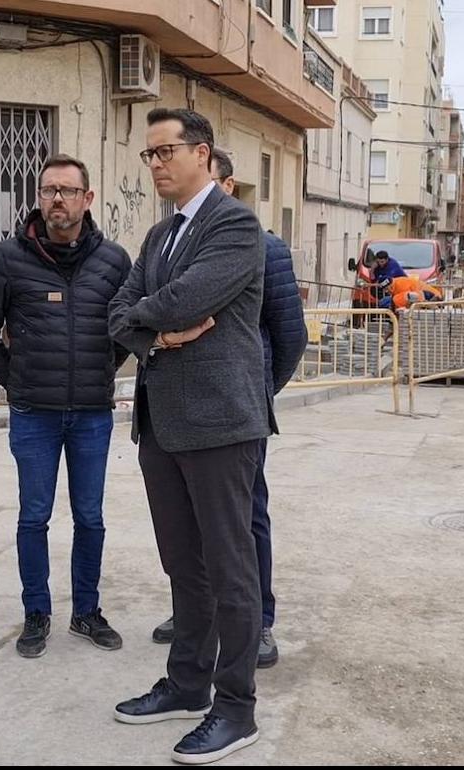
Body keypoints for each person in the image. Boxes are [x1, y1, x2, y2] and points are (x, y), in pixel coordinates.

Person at [109, 108, 269, 764]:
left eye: (165, 151)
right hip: (163, 425)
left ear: (202, 153)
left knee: (231, 568)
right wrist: (157, 335)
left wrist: (152, 323)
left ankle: (236, 707)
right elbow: (116, 316)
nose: (155, 164)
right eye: (148, 155)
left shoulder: (234, 226)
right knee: (184, 564)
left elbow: (181, 300)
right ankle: (187, 683)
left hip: (221, 425)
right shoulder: (158, 236)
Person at [0, 154, 132, 658]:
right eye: (47, 190)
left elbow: (124, 330)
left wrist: (102, 370)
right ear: (38, 198)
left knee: (90, 517)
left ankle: (86, 611)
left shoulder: (114, 262)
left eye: (67, 190)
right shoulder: (7, 259)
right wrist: (18, 383)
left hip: (91, 415)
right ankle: (36, 613)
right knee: (33, 517)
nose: (56, 199)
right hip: (33, 415)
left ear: (87, 199)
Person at [150, 148, 307, 670]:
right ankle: (197, 611)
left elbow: (288, 336)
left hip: (237, 412)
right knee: (188, 524)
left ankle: (258, 621)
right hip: (180, 409)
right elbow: (132, 312)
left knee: (244, 520)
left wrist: (256, 392)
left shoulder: (264, 248)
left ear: (227, 186)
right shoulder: (167, 246)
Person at [377, 274, 443, 310]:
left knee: (394, 300)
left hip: (431, 296)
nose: (386, 291)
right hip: (427, 295)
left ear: (390, 286)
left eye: (386, 289)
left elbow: (417, 296)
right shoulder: (396, 285)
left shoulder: (401, 285)